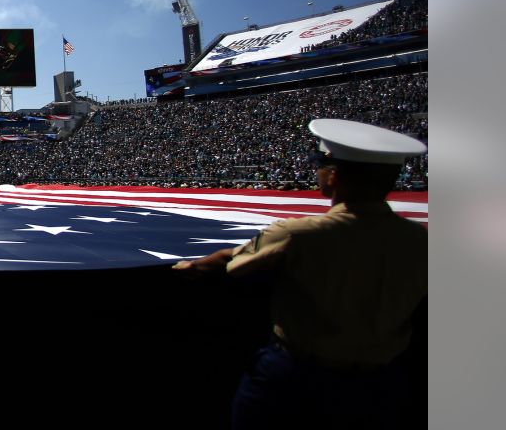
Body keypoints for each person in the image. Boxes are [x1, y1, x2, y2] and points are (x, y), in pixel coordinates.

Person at [174, 118, 427, 429]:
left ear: (333, 175)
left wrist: (192, 266)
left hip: (297, 377)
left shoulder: (300, 234)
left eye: (320, 163)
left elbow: (234, 265)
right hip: (384, 381)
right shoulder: (421, 240)